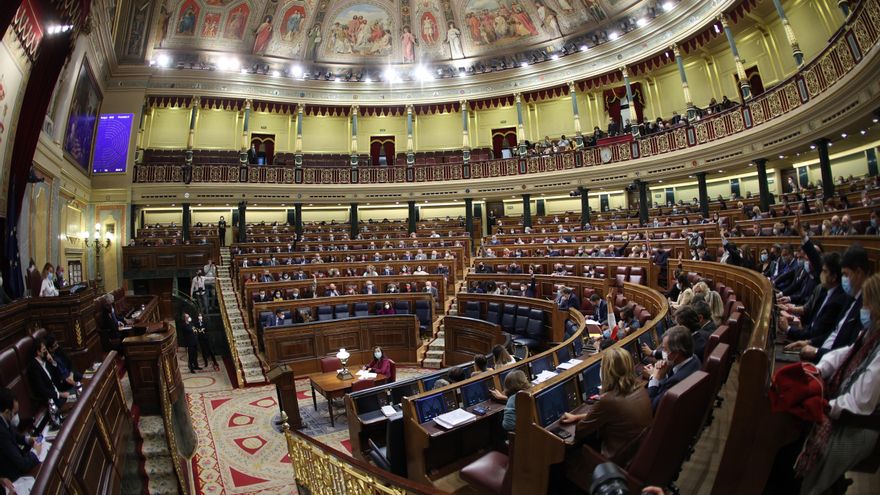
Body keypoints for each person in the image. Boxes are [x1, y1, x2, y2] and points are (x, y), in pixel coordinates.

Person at [793, 273, 880, 494]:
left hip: (859, 425)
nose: (863, 308)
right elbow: (844, 354)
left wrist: (825, 406)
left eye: (867, 303)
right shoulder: (870, 333)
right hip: (844, 409)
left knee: (814, 475)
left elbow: (861, 400)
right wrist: (819, 369)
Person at [560, 348, 653, 469]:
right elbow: (612, 414)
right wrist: (577, 417)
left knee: (567, 454)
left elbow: (580, 431)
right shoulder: (640, 388)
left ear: (607, 371)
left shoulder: (609, 400)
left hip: (616, 463)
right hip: (637, 456)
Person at [785, 245, 870, 362]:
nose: (843, 279)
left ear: (859, 273)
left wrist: (816, 351)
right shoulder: (850, 298)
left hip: (830, 361)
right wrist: (809, 342)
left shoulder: (863, 305)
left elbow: (850, 350)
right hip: (821, 352)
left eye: (845, 274)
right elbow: (834, 332)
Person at [644, 325, 701, 410]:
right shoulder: (694, 359)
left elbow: (652, 406)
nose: (663, 352)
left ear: (675, 354)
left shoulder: (677, 380)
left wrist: (654, 377)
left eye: (664, 349)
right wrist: (662, 375)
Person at [0, 388, 41, 483]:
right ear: (7, 412)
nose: (16, 416)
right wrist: (35, 452)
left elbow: (15, 435)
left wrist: (29, 439)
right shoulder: (1, 433)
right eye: (15, 413)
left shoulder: (3, 418)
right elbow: (23, 465)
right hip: (14, 477)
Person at [26, 339, 70, 408]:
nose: (46, 352)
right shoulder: (34, 367)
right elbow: (42, 390)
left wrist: (52, 362)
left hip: (59, 391)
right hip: (51, 400)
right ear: (38, 352)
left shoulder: (46, 361)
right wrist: (60, 394)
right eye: (44, 349)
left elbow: (58, 376)